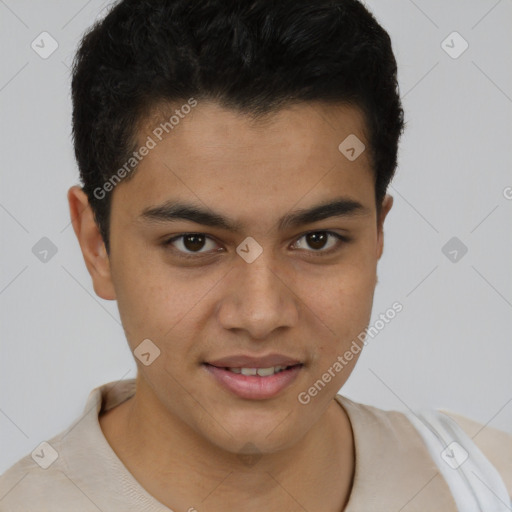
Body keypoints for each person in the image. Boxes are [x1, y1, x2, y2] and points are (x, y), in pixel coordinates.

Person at [1, 0, 510, 510]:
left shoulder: (489, 484)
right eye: (194, 243)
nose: (261, 315)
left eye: (317, 240)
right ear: (97, 246)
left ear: (378, 235)